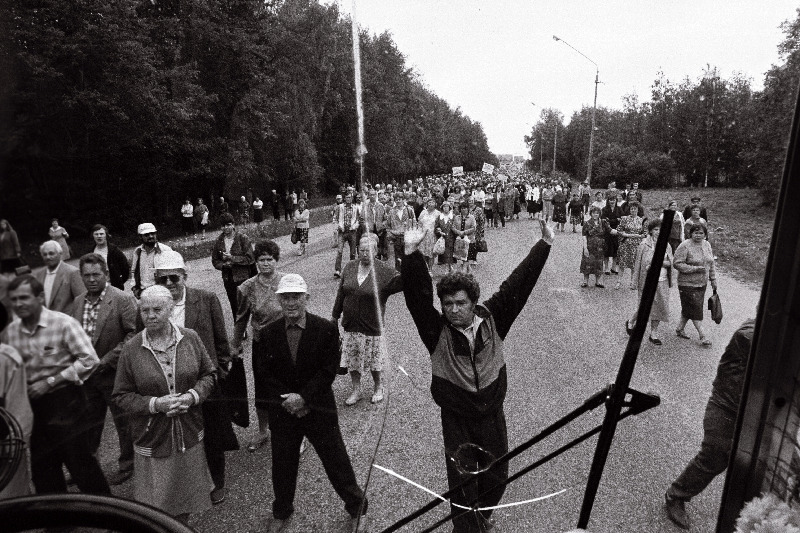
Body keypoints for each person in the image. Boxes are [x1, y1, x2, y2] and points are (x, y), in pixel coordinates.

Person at [401, 220, 554, 533]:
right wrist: (411, 252)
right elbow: (417, 299)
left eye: (461, 303)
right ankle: (466, 528)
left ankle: (482, 514)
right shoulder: (437, 332)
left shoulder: (493, 319)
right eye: (448, 304)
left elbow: (518, 284)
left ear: (473, 302)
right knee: (462, 482)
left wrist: (544, 245)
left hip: (491, 414)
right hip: (457, 419)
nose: (454, 310)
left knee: (497, 475)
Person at [253, 274, 369, 533]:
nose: (291, 302)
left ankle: (357, 508)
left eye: (296, 297)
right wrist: (290, 401)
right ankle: (282, 511)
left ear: (307, 298)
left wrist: (304, 398)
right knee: (282, 464)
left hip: (318, 409)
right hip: (284, 411)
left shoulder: (325, 329)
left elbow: (328, 371)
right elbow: (263, 373)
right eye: (286, 297)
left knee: (336, 461)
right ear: (279, 300)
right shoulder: (267, 333)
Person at [114, 285, 216, 522]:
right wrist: (155, 404)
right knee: (156, 508)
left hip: (188, 434)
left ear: (171, 309)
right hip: (153, 437)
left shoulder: (190, 337)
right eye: (145, 310)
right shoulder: (131, 349)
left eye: (157, 309)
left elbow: (209, 375)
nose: (150, 316)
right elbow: (121, 395)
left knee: (186, 499)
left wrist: (192, 396)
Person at [2, 275, 110, 495]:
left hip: (67, 401)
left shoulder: (63, 323)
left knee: (80, 463)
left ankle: (107, 514)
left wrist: (51, 381)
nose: (19, 304)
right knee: (43, 467)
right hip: (34, 405)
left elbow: (90, 360)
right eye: (14, 299)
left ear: (40, 297)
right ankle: (59, 520)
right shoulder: (10, 333)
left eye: (24, 298)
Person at [154, 250, 238, 505]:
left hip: (204, 381)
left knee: (212, 434)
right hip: (169, 383)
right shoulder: (152, 305)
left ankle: (217, 481)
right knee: (176, 433)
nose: (169, 284)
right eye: (162, 279)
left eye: (174, 278)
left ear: (184, 277)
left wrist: (219, 373)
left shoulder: (207, 299)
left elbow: (222, 343)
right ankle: (184, 481)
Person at [664, 318, 755, 530]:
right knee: (715, 455)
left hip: (750, 409)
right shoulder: (752, 335)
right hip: (726, 406)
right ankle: (675, 494)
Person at [71, 253, 138, 485]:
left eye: (96, 275)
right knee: (88, 424)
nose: (91, 279)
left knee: (124, 423)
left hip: (115, 374)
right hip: (87, 376)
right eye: (86, 275)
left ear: (106, 274)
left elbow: (134, 334)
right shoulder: (78, 302)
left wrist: (107, 359)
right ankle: (87, 467)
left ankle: (128, 464)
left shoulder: (121, 299)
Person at [333, 236, 403, 406]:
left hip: (372, 324)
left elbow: (401, 283)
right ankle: (356, 390)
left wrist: (404, 263)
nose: (364, 254)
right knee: (352, 358)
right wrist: (334, 316)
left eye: (369, 250)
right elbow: (341, 294)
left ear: (376, 251)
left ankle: (378, 387)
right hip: (351, 324)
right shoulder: (349, 267)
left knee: (374, 359)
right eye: (362, 250)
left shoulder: (383, 270)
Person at [234, 240, 286, 452]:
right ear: (255, 262)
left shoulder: (286, 281)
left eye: (269, 260)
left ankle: (293, 433)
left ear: (276, 260)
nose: (265, 264)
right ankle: (263, 430)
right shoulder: (247, 287)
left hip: (285, 343)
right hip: (261, 345)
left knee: (287, 387)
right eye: (261, 260)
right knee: (263, 390)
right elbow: (241, 318)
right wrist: (235, 344)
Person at [627, 219, 673, 345]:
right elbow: (637, 264)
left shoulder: (667, 245)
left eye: (661, 229)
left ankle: (653, 333)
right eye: (656, 229)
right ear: (651, 231)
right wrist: (634, 282)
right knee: (644, 306)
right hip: (646, 281)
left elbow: (670, 263)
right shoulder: (644, 245)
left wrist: (660, 263)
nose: (658, 232)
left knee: (660, 307)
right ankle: (631, 321)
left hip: (662, 280)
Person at [674, 225, 718, 346]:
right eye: (696, 233)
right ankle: (703, 335)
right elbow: (677, 264)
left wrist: (713, 279)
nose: (698, 235)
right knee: (695, 309)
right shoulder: (684, 245)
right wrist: (695, 269)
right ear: (691, 233)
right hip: (687, 284)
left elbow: (711, 263)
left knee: (690, 307)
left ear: (705, 234)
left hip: (702, 284)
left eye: (701, 233)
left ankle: (679, 328)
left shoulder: (707, 245)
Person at [0, 342, 33, 499]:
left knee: (12, 506)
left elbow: (20, 416)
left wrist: (10, 451)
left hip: (5, 456)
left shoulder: (6, 358)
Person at [212, 213, 255, 315]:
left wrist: (232, 258)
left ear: (233, 225)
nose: (226, 228)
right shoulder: (219, 241)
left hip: (243, 278)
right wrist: (223, 265)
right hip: (228, 278)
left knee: (250, 306)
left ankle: (257, 328)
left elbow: (250, 259)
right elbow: (215, 261)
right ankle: (241, 330)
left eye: (228, 225)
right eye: (223, 226)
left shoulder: (242, 238)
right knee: (235, 307)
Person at [34, 240, 84, 313]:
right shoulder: (40, 274)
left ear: (60, 253)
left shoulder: (72, 272)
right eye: (45, 254)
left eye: (51, 253)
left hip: (67, 321)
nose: (48, 257)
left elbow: (81, 302)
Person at [130, 222, 173, 299]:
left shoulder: (165, 250)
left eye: (152, 233)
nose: (150, 236)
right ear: (140, 237)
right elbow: (133, 271)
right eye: (146, 235)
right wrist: (134, 288)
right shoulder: (138, 251)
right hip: (143, 294)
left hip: (161, 293)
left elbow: (173, 273)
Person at [615, 202, 647, 290]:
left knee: (634, 265)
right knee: (622, 264)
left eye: (635, 209)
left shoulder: (640, 220)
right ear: (629, 210)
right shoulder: (625, 219)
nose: (633, 210)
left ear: (638, 210)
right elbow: (619, 230)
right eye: (631, 209)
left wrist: (640, 236)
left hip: (636, 245)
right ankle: (618, 282)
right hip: (625, 244)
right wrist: (627, 235)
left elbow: (645, 233)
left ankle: (632, 282)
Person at [91, 224, 130, 290]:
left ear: (106, 235)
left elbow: (125, 268)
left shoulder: (114, 250)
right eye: (96, 234)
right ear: (93, 236)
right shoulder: (91, 251)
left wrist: (118, 281)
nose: (99, 236)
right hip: (97, 287)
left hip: (113, 287)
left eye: (101, 234)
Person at [581, 207, 611, 288]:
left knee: (599, 263)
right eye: (594, 213)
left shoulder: (603, 222)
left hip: (600, 247)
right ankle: (585, 281)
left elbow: (610, 230)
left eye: (597, 213)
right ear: (591, 213)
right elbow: (584, 236)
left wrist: (621, 232)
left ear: (599, 214)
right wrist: (585, 248)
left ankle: (598, 281)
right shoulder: (587, 223)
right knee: (587, 262)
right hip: (589, 246)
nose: (595, 214)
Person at [386, 192, 416, 271]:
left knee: (408, 257)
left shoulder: (409, 210)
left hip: (407, 238)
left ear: (403, 200)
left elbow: (414, 224)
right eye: (396, 200)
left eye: (400, 199)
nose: (398, 201)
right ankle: (399, 275)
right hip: (396, 238)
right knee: (398, 258)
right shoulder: (392, 212)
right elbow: (387, 225)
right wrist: (390, 236)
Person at [333, 192, 361, 278]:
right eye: (347, 197)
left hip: (352, 231)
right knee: (339, 251)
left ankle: (352, 270)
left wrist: (355, 226)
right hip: (342, 231)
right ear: (344, 198)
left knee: (352, 252)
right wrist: (338, 226)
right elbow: (335, 218)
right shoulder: (340, 207)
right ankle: (338, 270)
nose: (348, 199)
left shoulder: (355, 208)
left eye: (349, 197)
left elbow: (358, 219)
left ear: (352, 198)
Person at [417, 198, 442, 272]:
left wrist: (439, 231)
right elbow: (419, 223)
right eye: (429, 202)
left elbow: (440, 225)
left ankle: (430, 269)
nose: (431, 204)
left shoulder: (438, 213)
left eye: (433, 202)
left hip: (432, 236)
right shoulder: (423, 212)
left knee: (431, 254)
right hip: (423, 236)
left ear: (435, 204)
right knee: (423, 253)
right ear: (427, 204)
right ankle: (425, 268)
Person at [601, 195, 623, 275]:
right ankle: (606, 268)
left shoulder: (619, 209)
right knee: (606, 250)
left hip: (617, 232)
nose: (612, 201)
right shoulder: (604, 209)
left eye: (613, 200)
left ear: (616, 200)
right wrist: (615, 220)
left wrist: (611, 220)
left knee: (616, 250)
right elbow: (603, 220)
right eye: (610, 200)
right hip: (607, 232)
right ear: (608, 201)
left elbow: (622, 220)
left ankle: (614, 267)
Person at [362, 189, 387, 260]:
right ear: (368, 196)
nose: (372, 196)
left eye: (374, 195)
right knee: (373, 247)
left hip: (380, 230)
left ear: (376, 196)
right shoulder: (365, 206)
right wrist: (366, 226)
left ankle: (381, 263)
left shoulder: (381, 205)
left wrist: (382, 225)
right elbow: (362, 219)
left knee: (380, 247)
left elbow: (385, 218)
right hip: (370, 230)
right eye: (370, 195)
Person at [452, 202, 476, 274]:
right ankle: (469, 271)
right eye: (462, 208)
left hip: (469, 240)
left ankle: (463, 273)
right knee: (462, 257)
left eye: (465, 208)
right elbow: (453, 227)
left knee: (466, 258)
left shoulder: (471, 217)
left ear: (468, 209)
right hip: (459, 240)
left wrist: (464, 232)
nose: (463, 210)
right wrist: (458, 232)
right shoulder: (457, 217)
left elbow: (473, 228)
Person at [436, 202, 456, 273]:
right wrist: (439, 231)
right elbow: (436, 226)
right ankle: (448, 268)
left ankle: (449, 267)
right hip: (442, 238)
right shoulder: (439, 217)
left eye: (447, 207)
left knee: (450, 253)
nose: (445, 208)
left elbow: (456, 226)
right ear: (442, 208)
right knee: (444, 254)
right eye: (444, 207)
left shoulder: (453, 216)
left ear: (450, 208)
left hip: (451, 237)